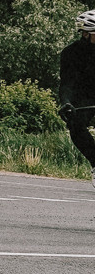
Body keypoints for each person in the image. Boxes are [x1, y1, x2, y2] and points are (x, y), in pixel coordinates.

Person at [58, 11, 95, 173]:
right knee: (75, 124)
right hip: (84, 96)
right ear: (86, 34)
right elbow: (67, 83)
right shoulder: (71, 53)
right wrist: (66, 102)